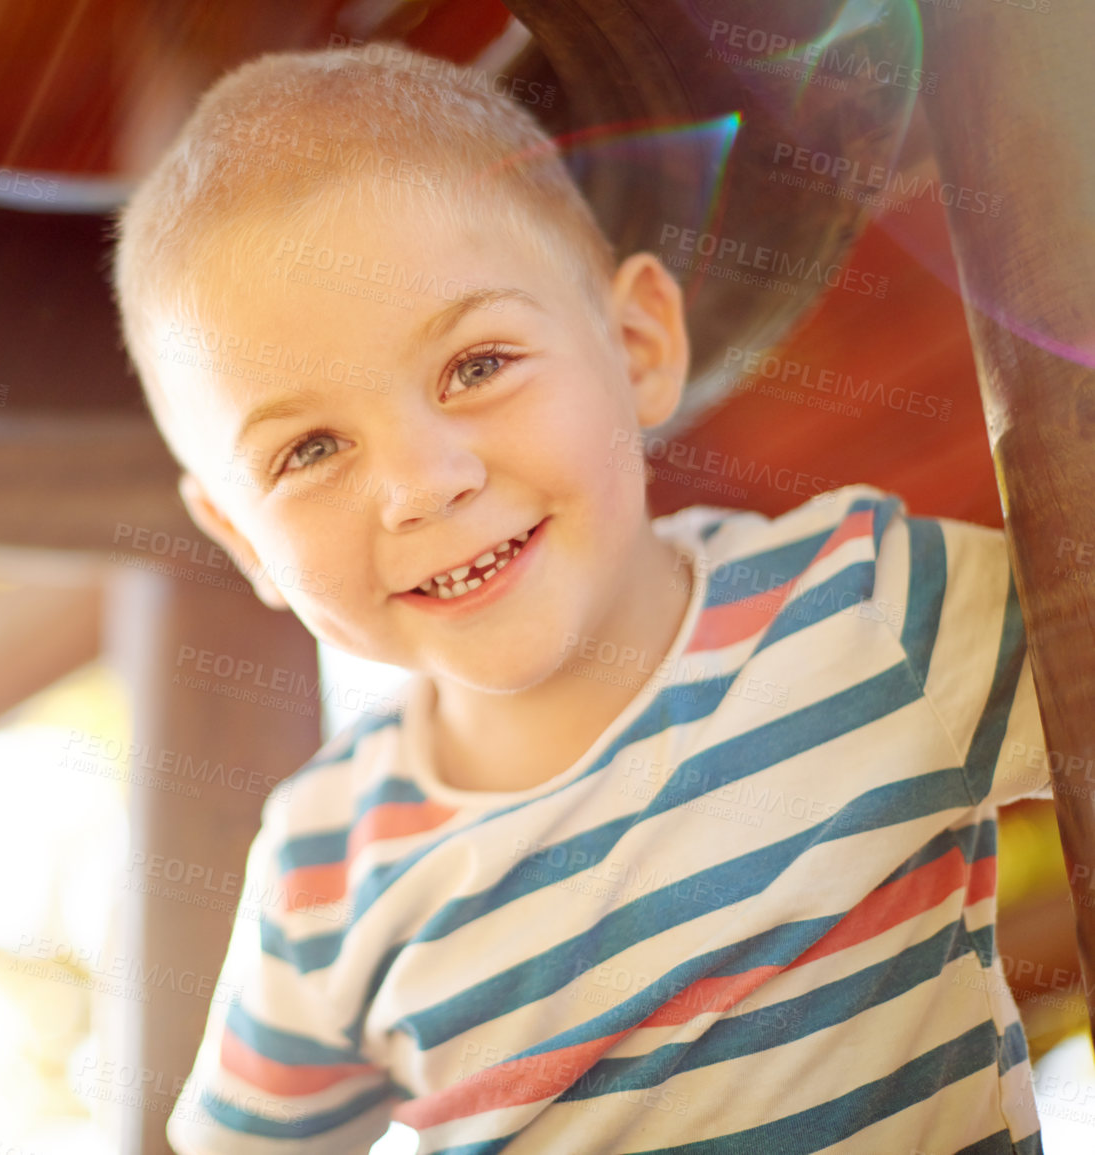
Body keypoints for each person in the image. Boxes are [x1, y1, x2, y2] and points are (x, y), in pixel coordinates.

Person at [110, 41, 1053, 1154]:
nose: (422, 484)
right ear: (241, 538)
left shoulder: (865, 603)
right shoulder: (322, 866)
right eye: (310, 449)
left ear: (637, 346)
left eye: (476, 365)